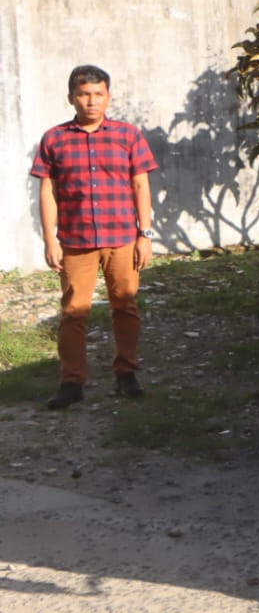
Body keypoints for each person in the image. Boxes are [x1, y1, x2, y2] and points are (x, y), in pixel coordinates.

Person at [29, 65, 159, 410]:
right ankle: (72, 382)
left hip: (122, 238)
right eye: (84, 94)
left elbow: (141, 184)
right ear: (71, 97)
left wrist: (145, 234)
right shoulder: (54, 139)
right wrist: (49, 239)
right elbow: (47, 191)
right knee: (74, 311)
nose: (91, 101)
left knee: (125, 306)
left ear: (108, 97)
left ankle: (126, 374)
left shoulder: (128, 135)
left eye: (98, 94)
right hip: (76, 239)